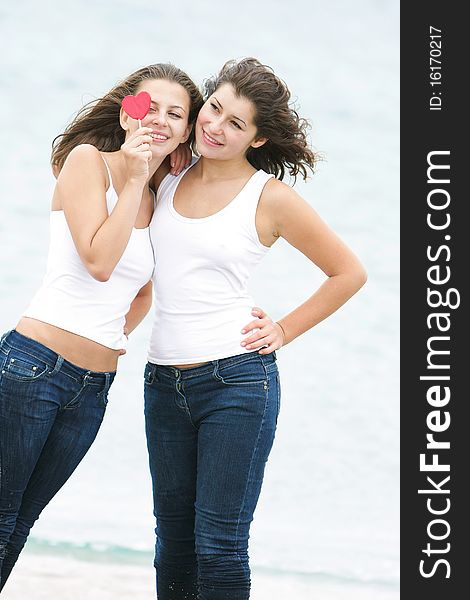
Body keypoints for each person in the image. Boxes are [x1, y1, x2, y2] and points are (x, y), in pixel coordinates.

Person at [144, 57, 367, 600]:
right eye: (214, 108)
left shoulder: (269, 198)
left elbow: (348, 273)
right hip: (162, 382)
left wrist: (285, 330)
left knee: (219, 549)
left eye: (235, 123)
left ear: (258, 138)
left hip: (237, 384)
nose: (215, 127)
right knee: (172, 544)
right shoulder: (168, 172)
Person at [0, 63, 202, 591]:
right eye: (149, 107)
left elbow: (142, 290)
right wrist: (135, 176)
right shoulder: (88, 162)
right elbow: (99, 260)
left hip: (92, 387)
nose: (159, 119)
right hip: (31, 367)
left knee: (20, 523)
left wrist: (111, 337)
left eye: (175, 114)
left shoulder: (158, 201)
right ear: (126, 111)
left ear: (185, 133)